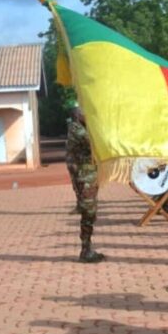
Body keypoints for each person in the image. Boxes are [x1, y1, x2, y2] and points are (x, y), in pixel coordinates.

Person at [64, 102, 104, 263]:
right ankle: (85, 250)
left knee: (90, 212)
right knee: (88, 213)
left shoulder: (80, 127)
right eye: (85, 114)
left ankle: (86, 249)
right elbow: (95, 144)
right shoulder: (77, 130)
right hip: (84, 178)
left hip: (88, 177)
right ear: (78, 115)